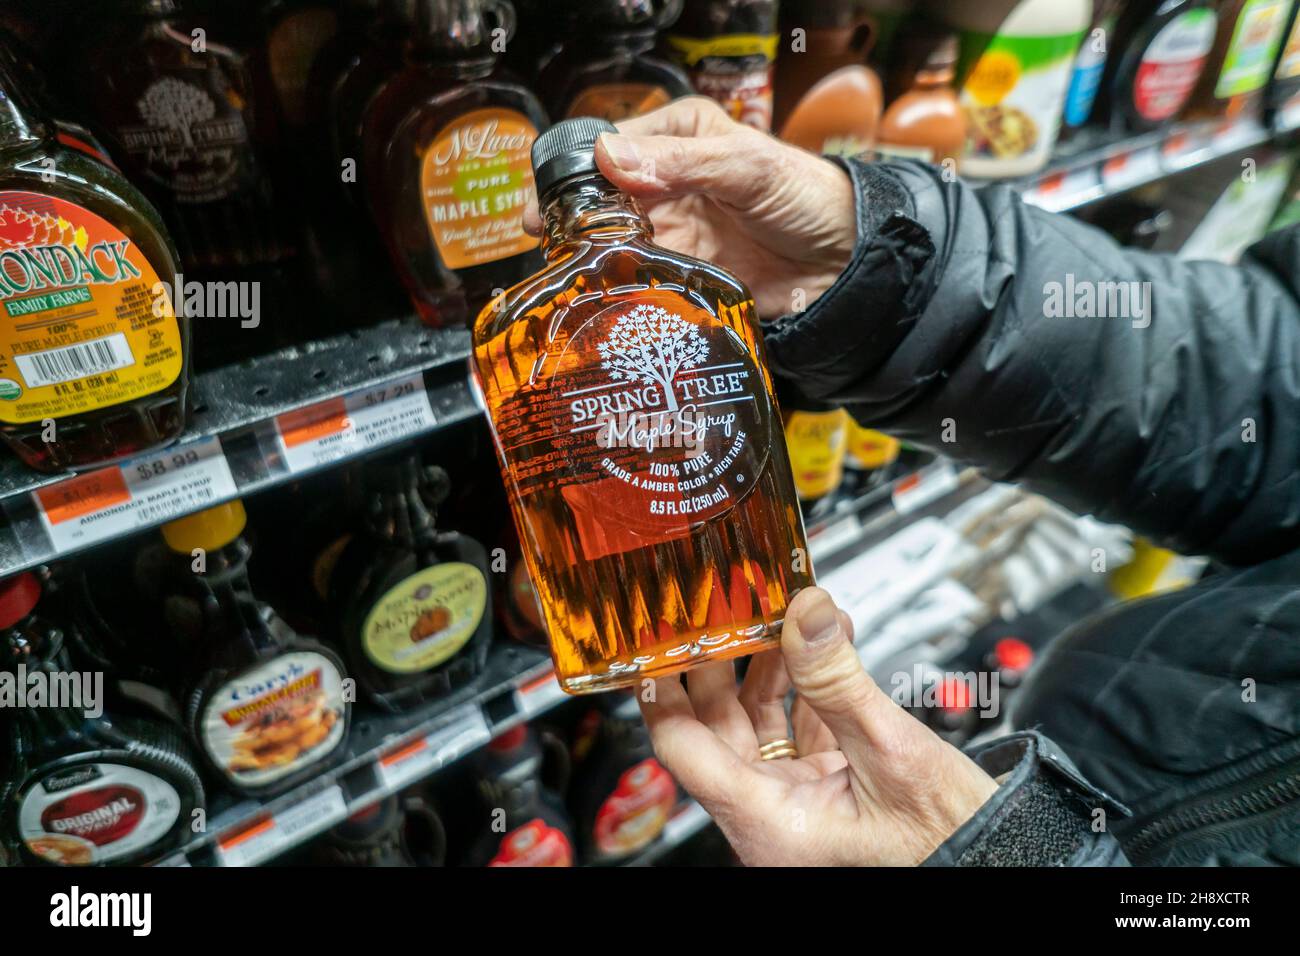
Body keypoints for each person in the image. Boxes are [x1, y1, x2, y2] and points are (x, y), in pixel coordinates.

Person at [524, 96, 1300, 867]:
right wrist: (858, 263)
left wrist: (993, 858)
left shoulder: (624, 307)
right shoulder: (648, 299)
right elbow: (1265, 378)